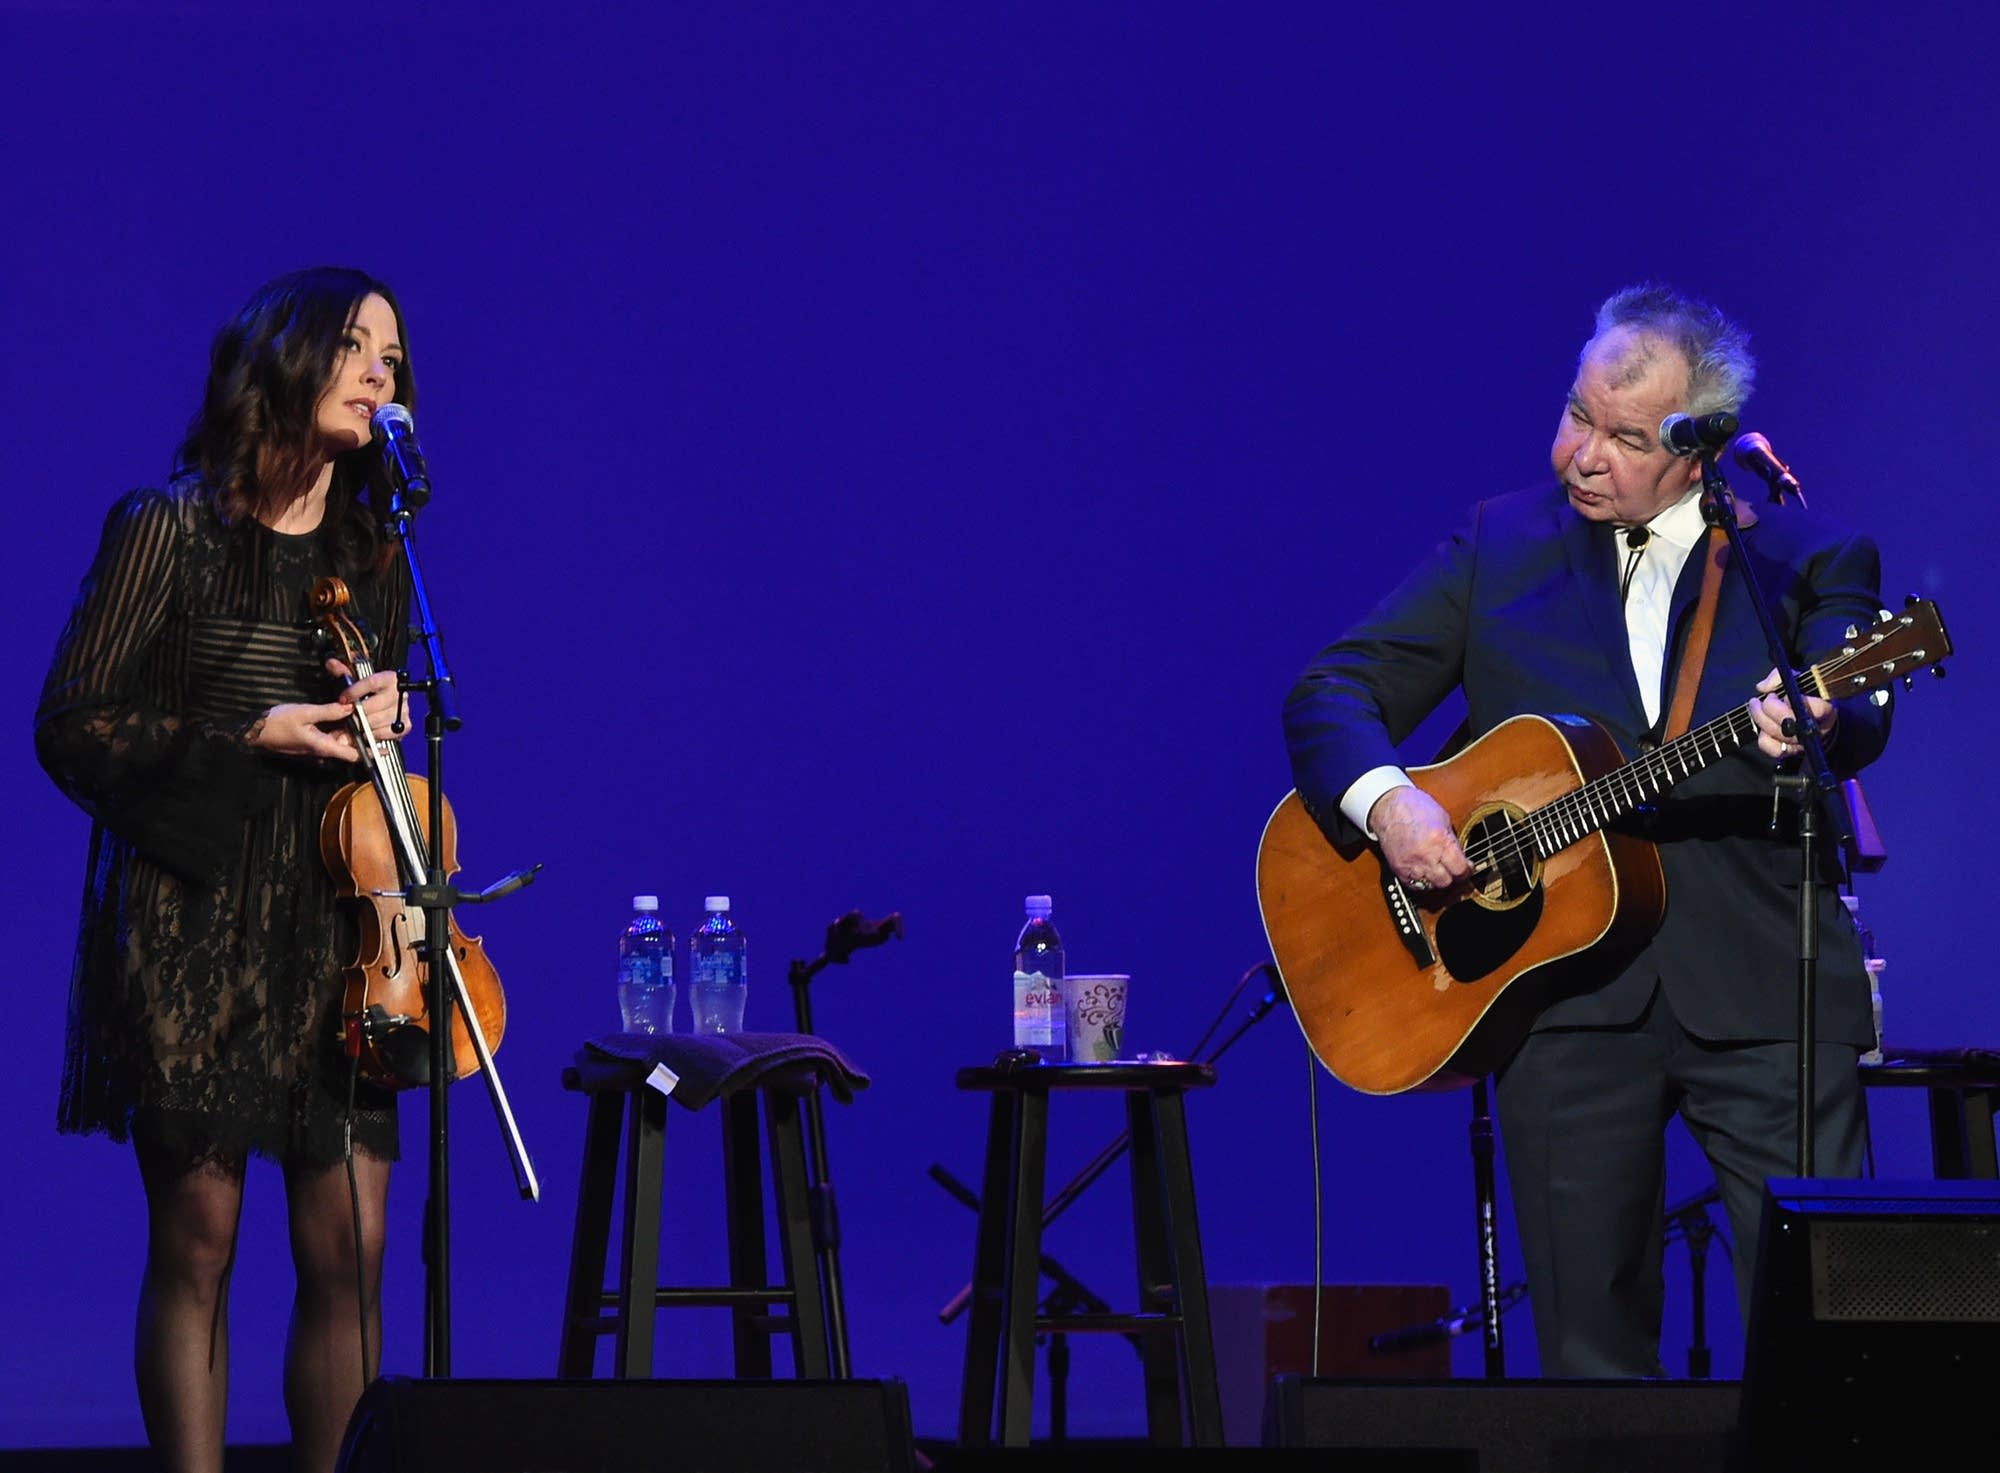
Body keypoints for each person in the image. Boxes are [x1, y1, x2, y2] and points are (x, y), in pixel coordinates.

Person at [1282, 284, 1891, 1377]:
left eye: (1626, 438)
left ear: (1698, 452)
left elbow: (1855, 707)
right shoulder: (1498, 545)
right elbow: (1333, 692)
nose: (1583, 455)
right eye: (1576, 415)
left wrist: (1820, 719)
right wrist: (1392, 803)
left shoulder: (1807, 555)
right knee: (1587, 1367)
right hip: (1557, 996)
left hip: (1764, 989)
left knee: (1829, 1340)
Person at [37, 267, 417, 1471]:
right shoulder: (169, 527)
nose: (379, 375)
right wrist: (250, 736)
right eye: (356, 348)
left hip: (333, 930)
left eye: (392, 359)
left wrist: (388, 715)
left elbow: (374, 753)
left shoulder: (374, 549)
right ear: (287, 358)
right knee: (199, 1245)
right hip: (193, 922)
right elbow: (73, 724)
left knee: (352, 1250)